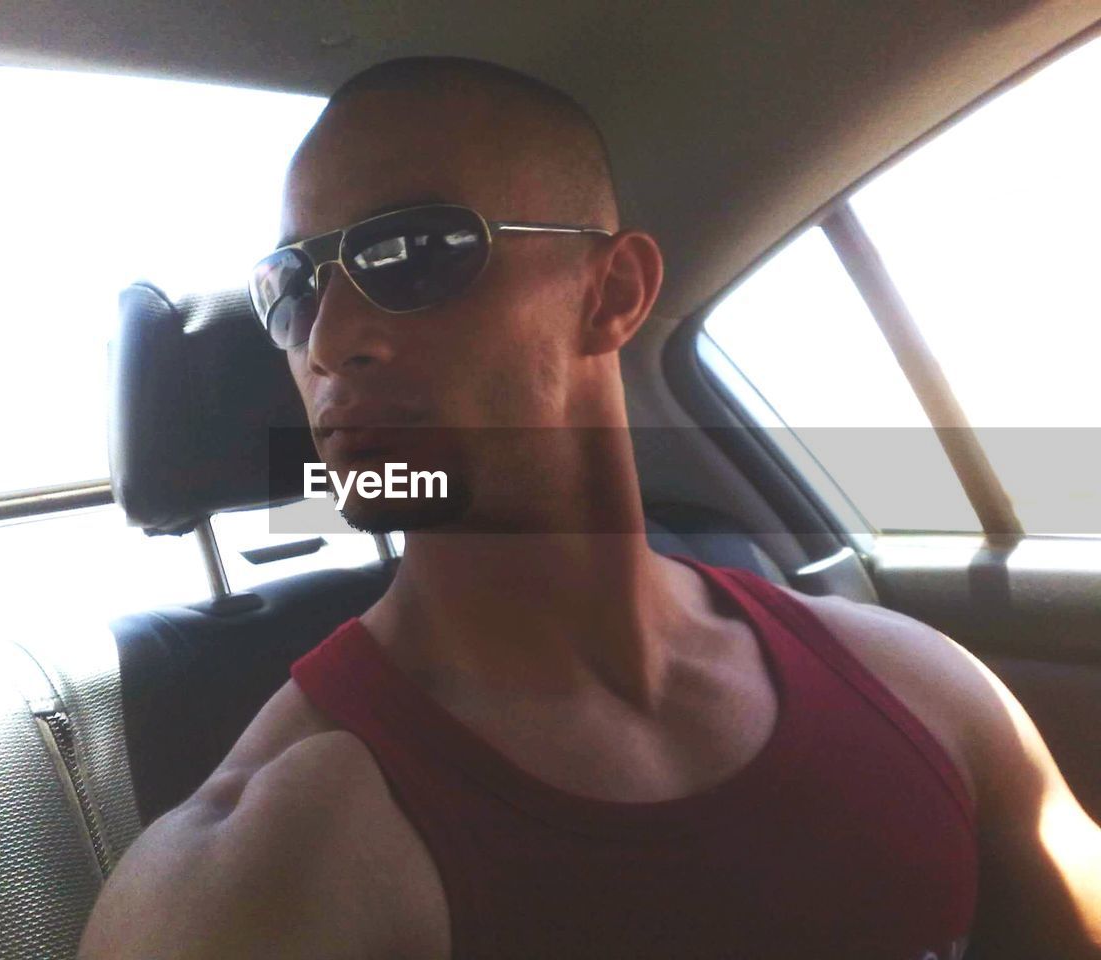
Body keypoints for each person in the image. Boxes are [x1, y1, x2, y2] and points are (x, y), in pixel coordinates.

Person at [80, 57, 1101, 959]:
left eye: (415, 253)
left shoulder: (920, 689)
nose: (330, 335)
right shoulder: (264, 868)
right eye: (290, 284)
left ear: (611, 294)